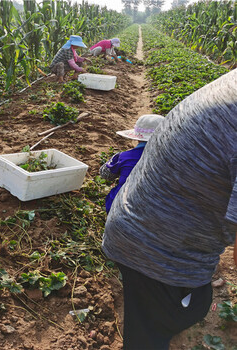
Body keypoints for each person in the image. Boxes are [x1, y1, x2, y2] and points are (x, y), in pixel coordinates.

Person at [102, 68, 237, 350]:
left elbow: (106, 172)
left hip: (132, 217)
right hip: (153, 246)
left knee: (183, 307)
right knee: (173, 317)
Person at [100, 114, 164, 213]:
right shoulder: (168, 159)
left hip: (119, 206)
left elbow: (105, 174)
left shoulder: (125, 157)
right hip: (154, 208)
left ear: (137, 138)